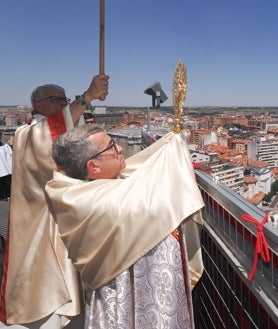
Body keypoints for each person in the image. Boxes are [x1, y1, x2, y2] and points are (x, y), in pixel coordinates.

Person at [45, 124, 205, 328]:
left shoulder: (87, 187)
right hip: (119, 294)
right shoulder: (93, 202)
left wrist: (170, 145)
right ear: (93, 166)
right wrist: (174, 155)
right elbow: (157, 202)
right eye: (112, 146)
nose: (120, 149)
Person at [0, 74, 109, 329]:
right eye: (56, 99)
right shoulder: (25, 135)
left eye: (65, 99)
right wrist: (87, 97)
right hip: (41, 230)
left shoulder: (64, 130)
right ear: (38, 105)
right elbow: (49, 134)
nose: (63, 103)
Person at [0, 132, 12, 202]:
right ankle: (4, 196)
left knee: (8, 183)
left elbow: (10, 155)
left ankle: (9, 195)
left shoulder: (5, 145)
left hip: (7, 169)